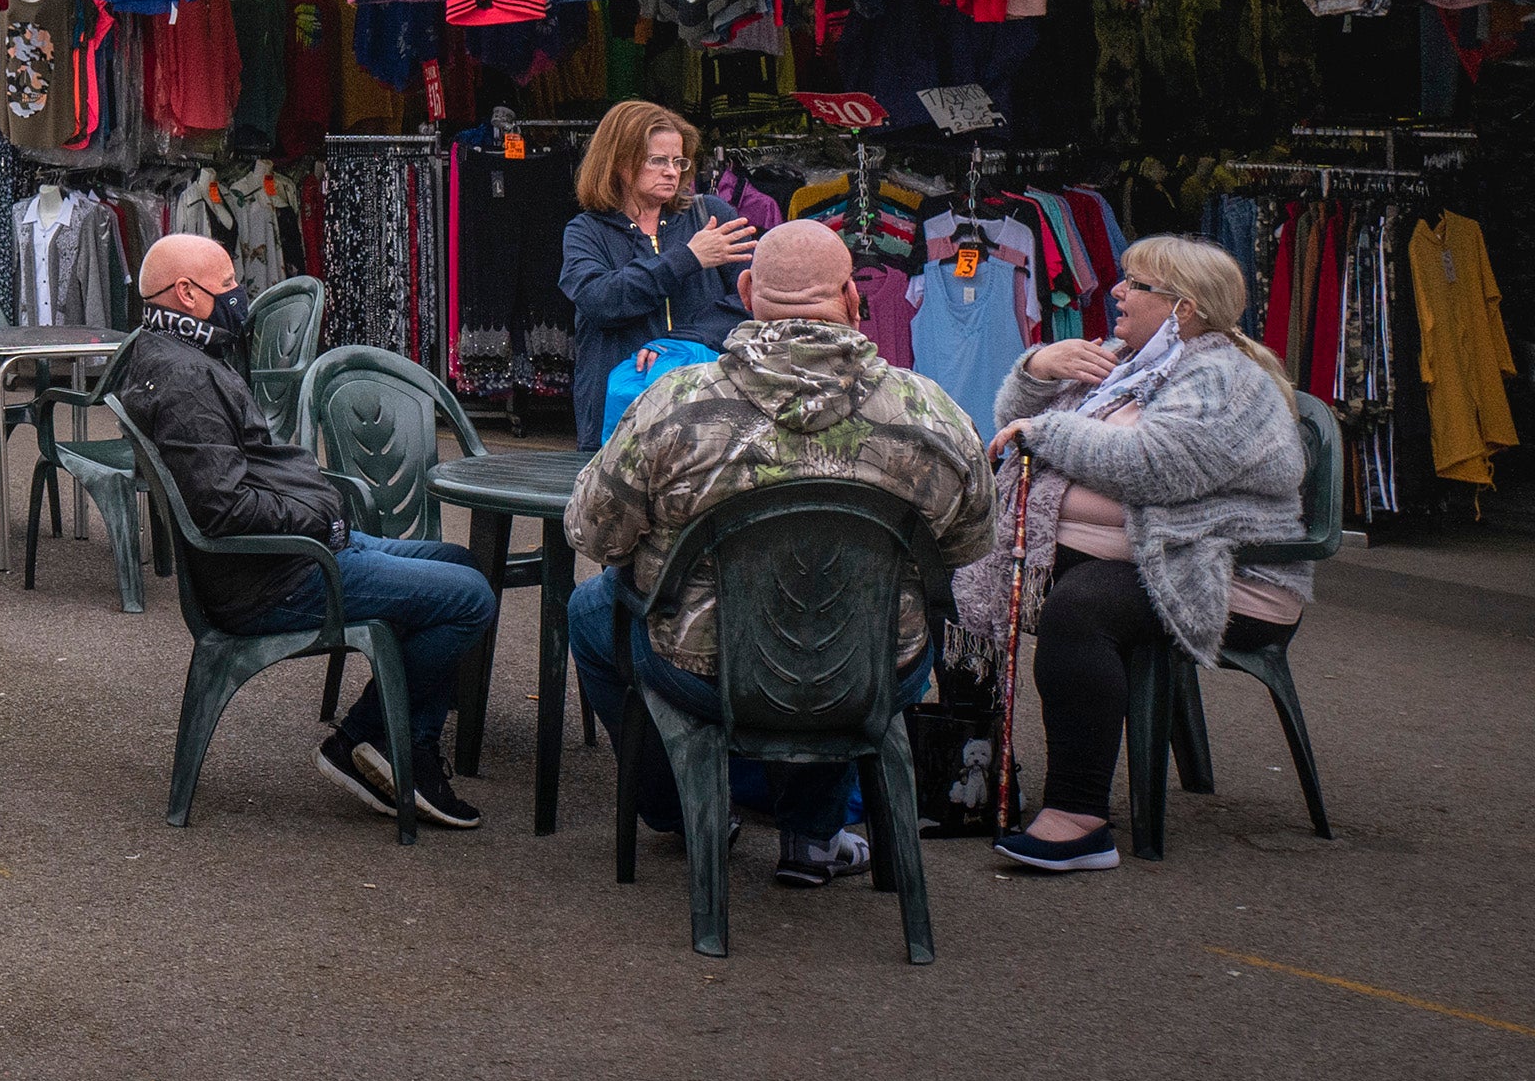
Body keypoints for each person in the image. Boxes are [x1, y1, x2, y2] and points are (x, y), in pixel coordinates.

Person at [569, 219, 992, 889]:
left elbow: (595, 533)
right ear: (853, 297)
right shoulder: (933, 411)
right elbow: (969, 545)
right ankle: (814, 836)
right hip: (874, 668)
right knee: (834, 619)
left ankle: (683, 807)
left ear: (744, 290)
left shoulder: (672, 403)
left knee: (592, 611)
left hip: (703, 668)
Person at [114, 232, 495, 830]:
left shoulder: (175, 352)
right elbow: (223, 508)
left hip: (293, 555)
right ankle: (375, 741)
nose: (241, 293)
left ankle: (394, 735)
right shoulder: (185, 378)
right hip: (279, 575)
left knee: (461, 563)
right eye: (230, 283)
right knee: (470, 598)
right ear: (187, 293)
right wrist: (318, 516)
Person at [958, 234, 1310, 874]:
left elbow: (1154, 466)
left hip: (1217, 571)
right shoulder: (1131, 361)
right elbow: (1011, 431)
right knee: (956, 578)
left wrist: (1047, 429)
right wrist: (1037, 374)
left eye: (1135, 284)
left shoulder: (1219, 378)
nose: (1115, 292)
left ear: (1184, 308)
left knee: (1080, 611)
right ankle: (969, 771)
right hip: (1135, 553)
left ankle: (1079, 817)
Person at [557, 98, 757, 449]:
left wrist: (682, 341)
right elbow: (600, 300)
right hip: (618, 413)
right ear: (620, 162)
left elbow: (754, 297)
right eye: (658, 160)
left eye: (678, 161)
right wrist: (687, 258)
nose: (672, 171)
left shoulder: (709, 215)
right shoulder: (586, 231)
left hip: (706, 409)